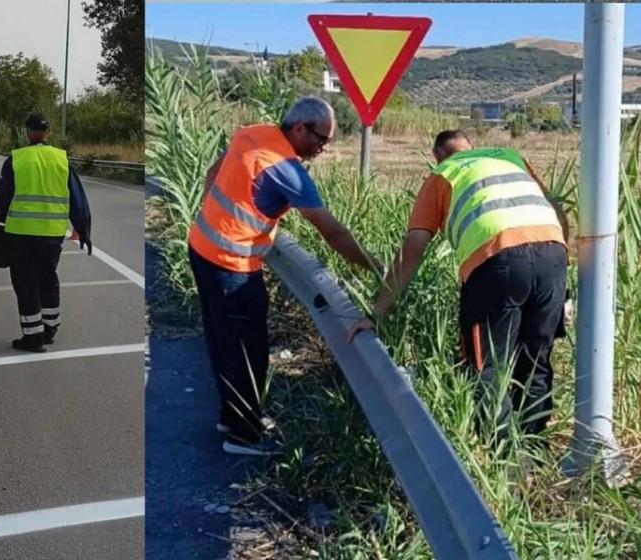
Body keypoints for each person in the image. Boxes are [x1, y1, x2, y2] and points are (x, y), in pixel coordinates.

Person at [347, 129, 571, 448]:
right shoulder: (510, 157)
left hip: (496, 260)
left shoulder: (442, 174)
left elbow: (414, 247)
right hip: (553, 254)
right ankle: (535, 452)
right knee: (535, 358)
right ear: (472, 147)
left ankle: (505, 462)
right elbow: (558, 212)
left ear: (438, 156)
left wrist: (377, 312)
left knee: (485, 366)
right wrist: (565, 273)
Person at [188, 96, 383, 456]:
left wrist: (217, 215)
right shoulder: (287, 169)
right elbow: (333, 232)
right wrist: (376, 267)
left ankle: (230, 417)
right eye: (320, 140)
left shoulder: (252, 133)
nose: (322, 149)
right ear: (298, 128)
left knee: (222, 340)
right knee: (249, 349)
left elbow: (212, 174)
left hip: (201, 247)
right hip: (233, 267)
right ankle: (243, 436)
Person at [0, 112, 92, 353]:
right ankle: (50, 329)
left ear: (27, 131)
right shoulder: (61, 159)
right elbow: (78, 199)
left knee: (26, 283)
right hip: (52, 234)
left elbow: (3, 198)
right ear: (47, 132)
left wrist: (0, 221)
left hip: (21, 233)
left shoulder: (17, 159)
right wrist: (83, 230)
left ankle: (33, 337)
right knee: (48, 279)